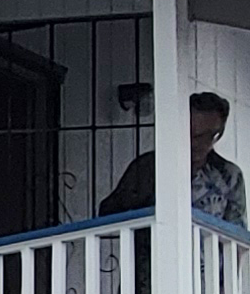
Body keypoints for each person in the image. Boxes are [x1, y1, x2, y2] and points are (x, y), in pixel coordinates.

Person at [100, 89, 247, 226]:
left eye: (204, 136)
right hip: (156, 252)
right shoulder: (148, 166)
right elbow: (108, 213)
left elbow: (237, 230)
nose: (194, 142)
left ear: (218, 135)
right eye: (189, 132)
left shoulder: (229, 175)